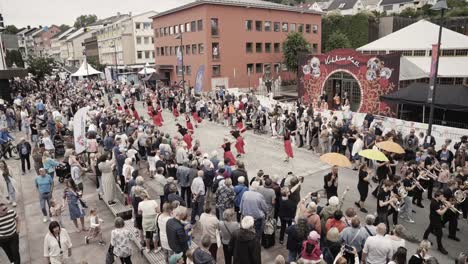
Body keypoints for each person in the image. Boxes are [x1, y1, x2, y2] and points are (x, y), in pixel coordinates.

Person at [422, 191, 449, 255]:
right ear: (437, 196)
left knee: (430, 228)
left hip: (435, 218)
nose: (442, 197)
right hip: (435, 219)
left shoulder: (438, 201)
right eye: (441, 196)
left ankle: (424, 238)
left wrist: (446, 203)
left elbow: (442, 204)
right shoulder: (434, 203)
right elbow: (441, 213)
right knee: (440, 233)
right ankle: (440, 247)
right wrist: (447, 207)